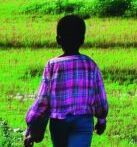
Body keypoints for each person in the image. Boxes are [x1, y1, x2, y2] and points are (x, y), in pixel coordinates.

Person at [24, 15, 108, 147]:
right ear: (82, 39)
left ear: (58, 40)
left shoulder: (52, 65)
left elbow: (43, 100)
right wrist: (101, 119)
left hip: (59, 122)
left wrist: (31, 125)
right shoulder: (90, 64)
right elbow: (99, 97)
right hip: (83, 120)